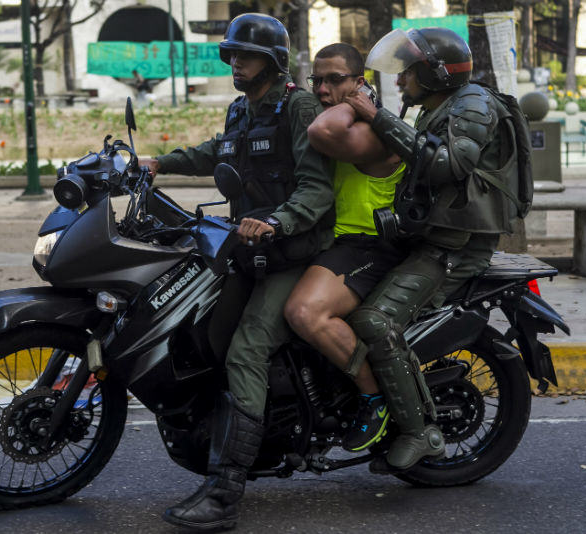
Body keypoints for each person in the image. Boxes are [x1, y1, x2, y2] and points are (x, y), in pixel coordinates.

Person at [139, 13, 334, 531]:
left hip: (296, 254)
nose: (235, 63)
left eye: (244, 56)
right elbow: (216, 154)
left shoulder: (299, 107)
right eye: (232, 55)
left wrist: (276, 222)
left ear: (271, 61)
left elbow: (316, 188)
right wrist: (157, 163)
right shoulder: (240, 110)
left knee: (247, 348)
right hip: (250, 252)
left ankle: (225, 492)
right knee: (204, 332)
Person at [316, 27, 524, 473]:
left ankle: (418, 431)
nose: (399, 81)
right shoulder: (439, 107)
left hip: (457, 247)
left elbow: (451, 165)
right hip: (432, 237)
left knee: (374, 320)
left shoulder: (472, 102)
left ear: (435, 72)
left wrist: (378, 117)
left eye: (408, 72)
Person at [283, 43, 407, 453]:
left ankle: (373, 398)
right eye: (316, 80)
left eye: (335, 80)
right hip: (336, 243)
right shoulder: (341, 121)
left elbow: (321, 129)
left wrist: (359, 103)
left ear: (360, 83)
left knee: (304, 312)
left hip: (369, 245)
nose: (321, 89)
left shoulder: (369, 132)